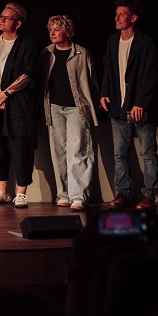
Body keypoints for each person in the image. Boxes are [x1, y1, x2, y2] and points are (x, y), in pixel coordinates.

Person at [99, 0, 158, 209]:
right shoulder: (112, 41)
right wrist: (104, 93)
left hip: (140, 108)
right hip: (118, 107)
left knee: (148, 154)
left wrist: (141, 102)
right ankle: (123, 193)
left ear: (133, 18)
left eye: (121, 14)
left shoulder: (145, 43)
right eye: (116, 14)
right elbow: (108, 70)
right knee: (120, 154)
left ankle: (149, 195)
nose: (116, 18)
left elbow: (151, 76)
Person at [0, 2, 38, 207]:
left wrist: (5, 94)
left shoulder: (27, 44)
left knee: (20, 146)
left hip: (18, 103)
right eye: (0, 17)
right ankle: (2, 191)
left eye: (7, 18)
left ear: (18, 23)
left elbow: (27, 74)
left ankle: (21, 193)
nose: (2, 20)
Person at [42, 14, 97, 211]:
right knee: (59, 152)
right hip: (54, 107)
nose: (53, 33)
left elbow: (91, 80)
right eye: (50, 29)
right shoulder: (46, 53)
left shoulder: (81, 53)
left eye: (57, 29)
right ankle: (63, 194)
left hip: (76, 108)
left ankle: (79, 196)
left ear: (68, 31)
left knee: (78, 151)